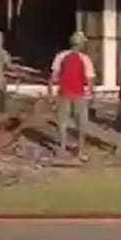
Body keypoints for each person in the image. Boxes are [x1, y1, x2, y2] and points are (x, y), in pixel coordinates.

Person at [49, 31, 95, 160]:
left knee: (62, 122)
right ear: (81, 44)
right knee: (81, 123)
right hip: (79, 94)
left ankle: (63, 149)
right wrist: (91, 95)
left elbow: (53, 77)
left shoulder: (61, 56)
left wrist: (50, 93)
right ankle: (81, 151)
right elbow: (90, 80)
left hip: (64, 92)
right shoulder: (85, 58)